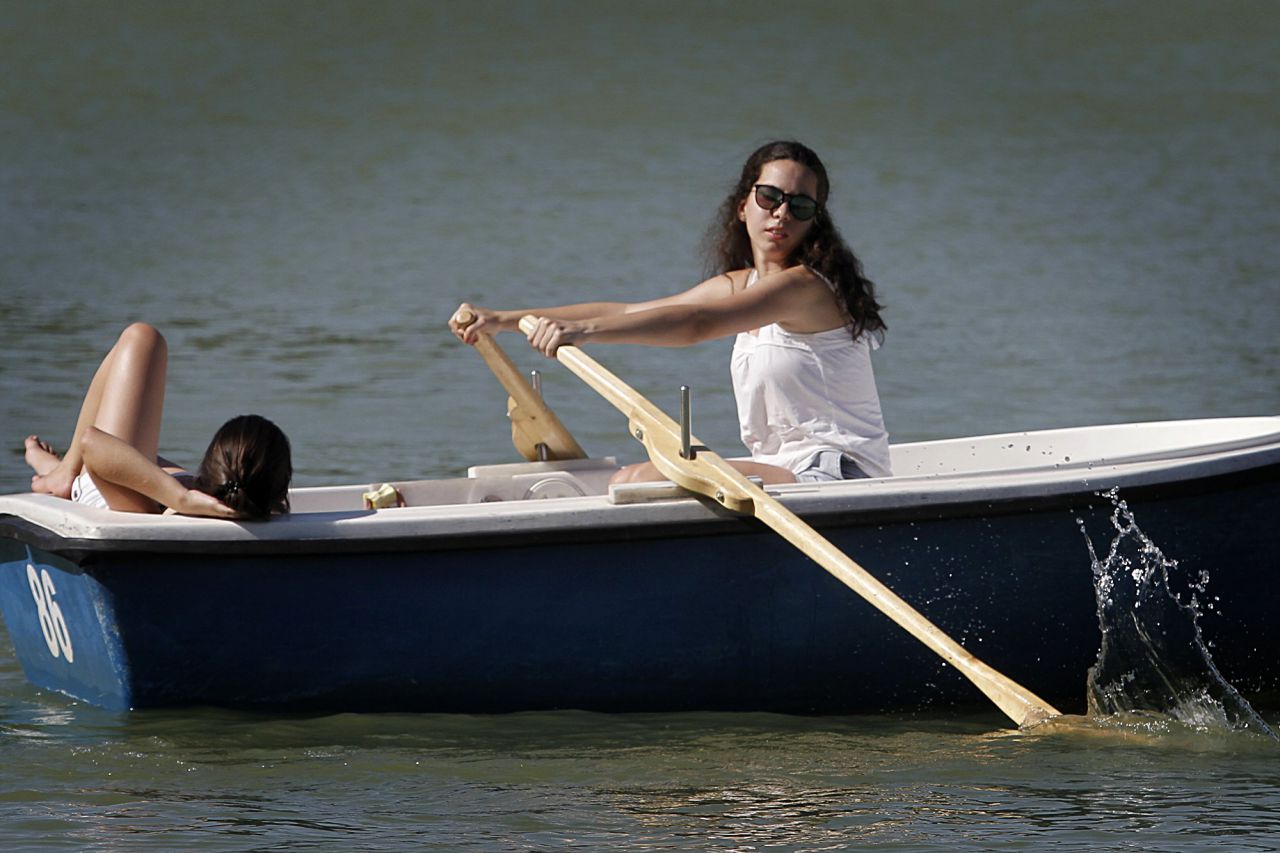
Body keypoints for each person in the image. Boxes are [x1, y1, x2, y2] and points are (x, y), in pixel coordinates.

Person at [450, 140, 892, 486]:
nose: (781, 213)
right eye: (769, 196)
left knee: (641, 478)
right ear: (742, 205)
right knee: (630, 479)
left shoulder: (805, 287)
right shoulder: (741, 285)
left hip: (839, 473)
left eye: (799, 206)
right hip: (785, 474)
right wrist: (503, 319)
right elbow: (628, 310)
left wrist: (583, 332)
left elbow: (698, 324)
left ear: (815, 219)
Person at [23, 322, 292, 519]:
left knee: (141, 337)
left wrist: (182, 498)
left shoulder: (167, 510)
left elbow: (91, 443)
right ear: (282, 491)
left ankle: (63, 472)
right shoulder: (268, 507)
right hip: (164, 479)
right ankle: (58, 470)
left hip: (103, 482)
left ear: (210, 462)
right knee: (153, 464)